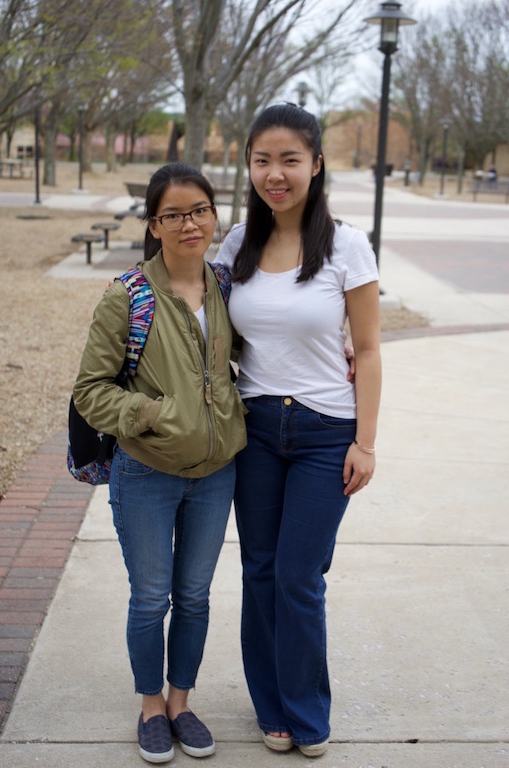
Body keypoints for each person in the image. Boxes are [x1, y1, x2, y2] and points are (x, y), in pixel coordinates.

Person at [215, 103, 381, 757]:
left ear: (316, 164)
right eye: (262, 160)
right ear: (248, 164)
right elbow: (207, 330)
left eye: (290, 160)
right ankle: (272, 709)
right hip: (253, 427)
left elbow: (366, 349)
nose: (274, 174)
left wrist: (365, 442)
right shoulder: (236, 244)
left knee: (298, 575)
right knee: (259, 570)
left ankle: (309, 712)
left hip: (324, 433)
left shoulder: (346, 244)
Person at [73, 162, 247, 764]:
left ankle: (181, 700)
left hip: (216, 473)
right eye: (173, 214)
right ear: (155, 224)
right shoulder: (129, 296)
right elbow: (90, 390)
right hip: (145, 472)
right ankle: (150, 706)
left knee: (194, 597)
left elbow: (265, 347)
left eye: (199, 210)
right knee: (151, 599)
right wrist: (153, 414)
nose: (189, 223)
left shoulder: (226, 285)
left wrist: (345, 343)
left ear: (214, 215)